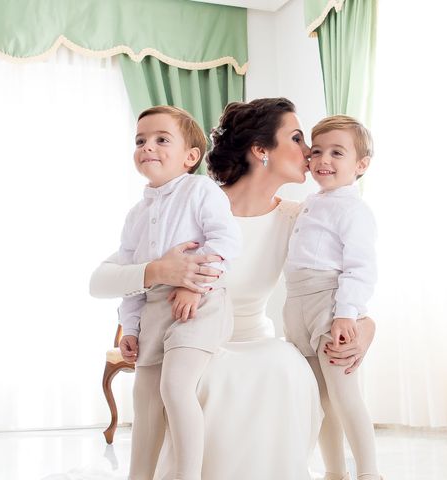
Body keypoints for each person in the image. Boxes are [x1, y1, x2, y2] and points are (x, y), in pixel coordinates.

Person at [89, 98, 376, 480]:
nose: (309, 152)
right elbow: (100, 280)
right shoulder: (193, 204)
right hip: (194, 339)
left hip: (257, 341)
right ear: (261, 151)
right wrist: (158, 270)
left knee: (283, 365)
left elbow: (335, 279)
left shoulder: (299, 218)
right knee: (200, 377)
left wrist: (366, 327)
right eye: (297, 138)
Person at [114, 105, 241, 480]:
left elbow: (225, 240)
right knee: (145, 397)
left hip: (199, 304)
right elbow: (129, 276)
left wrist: (192, 284)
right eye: (141, 141)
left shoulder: (200, 190)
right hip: (155, 308)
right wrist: (132, 328)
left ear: (190, 157)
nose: (147, 147)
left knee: (175, 385)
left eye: (161, 139)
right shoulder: (136, 214)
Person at [283, 115, 381, 480]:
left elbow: (360, 268)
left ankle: (369, 472)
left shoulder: (353, 210)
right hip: (297, 305)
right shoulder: (311, 202)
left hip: (330, 303)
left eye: (337, 153)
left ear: (360, 165)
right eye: (318, 151)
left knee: (344, 395)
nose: (323, 160)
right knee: (320, 401)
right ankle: (334, 472)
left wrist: (346, 314)